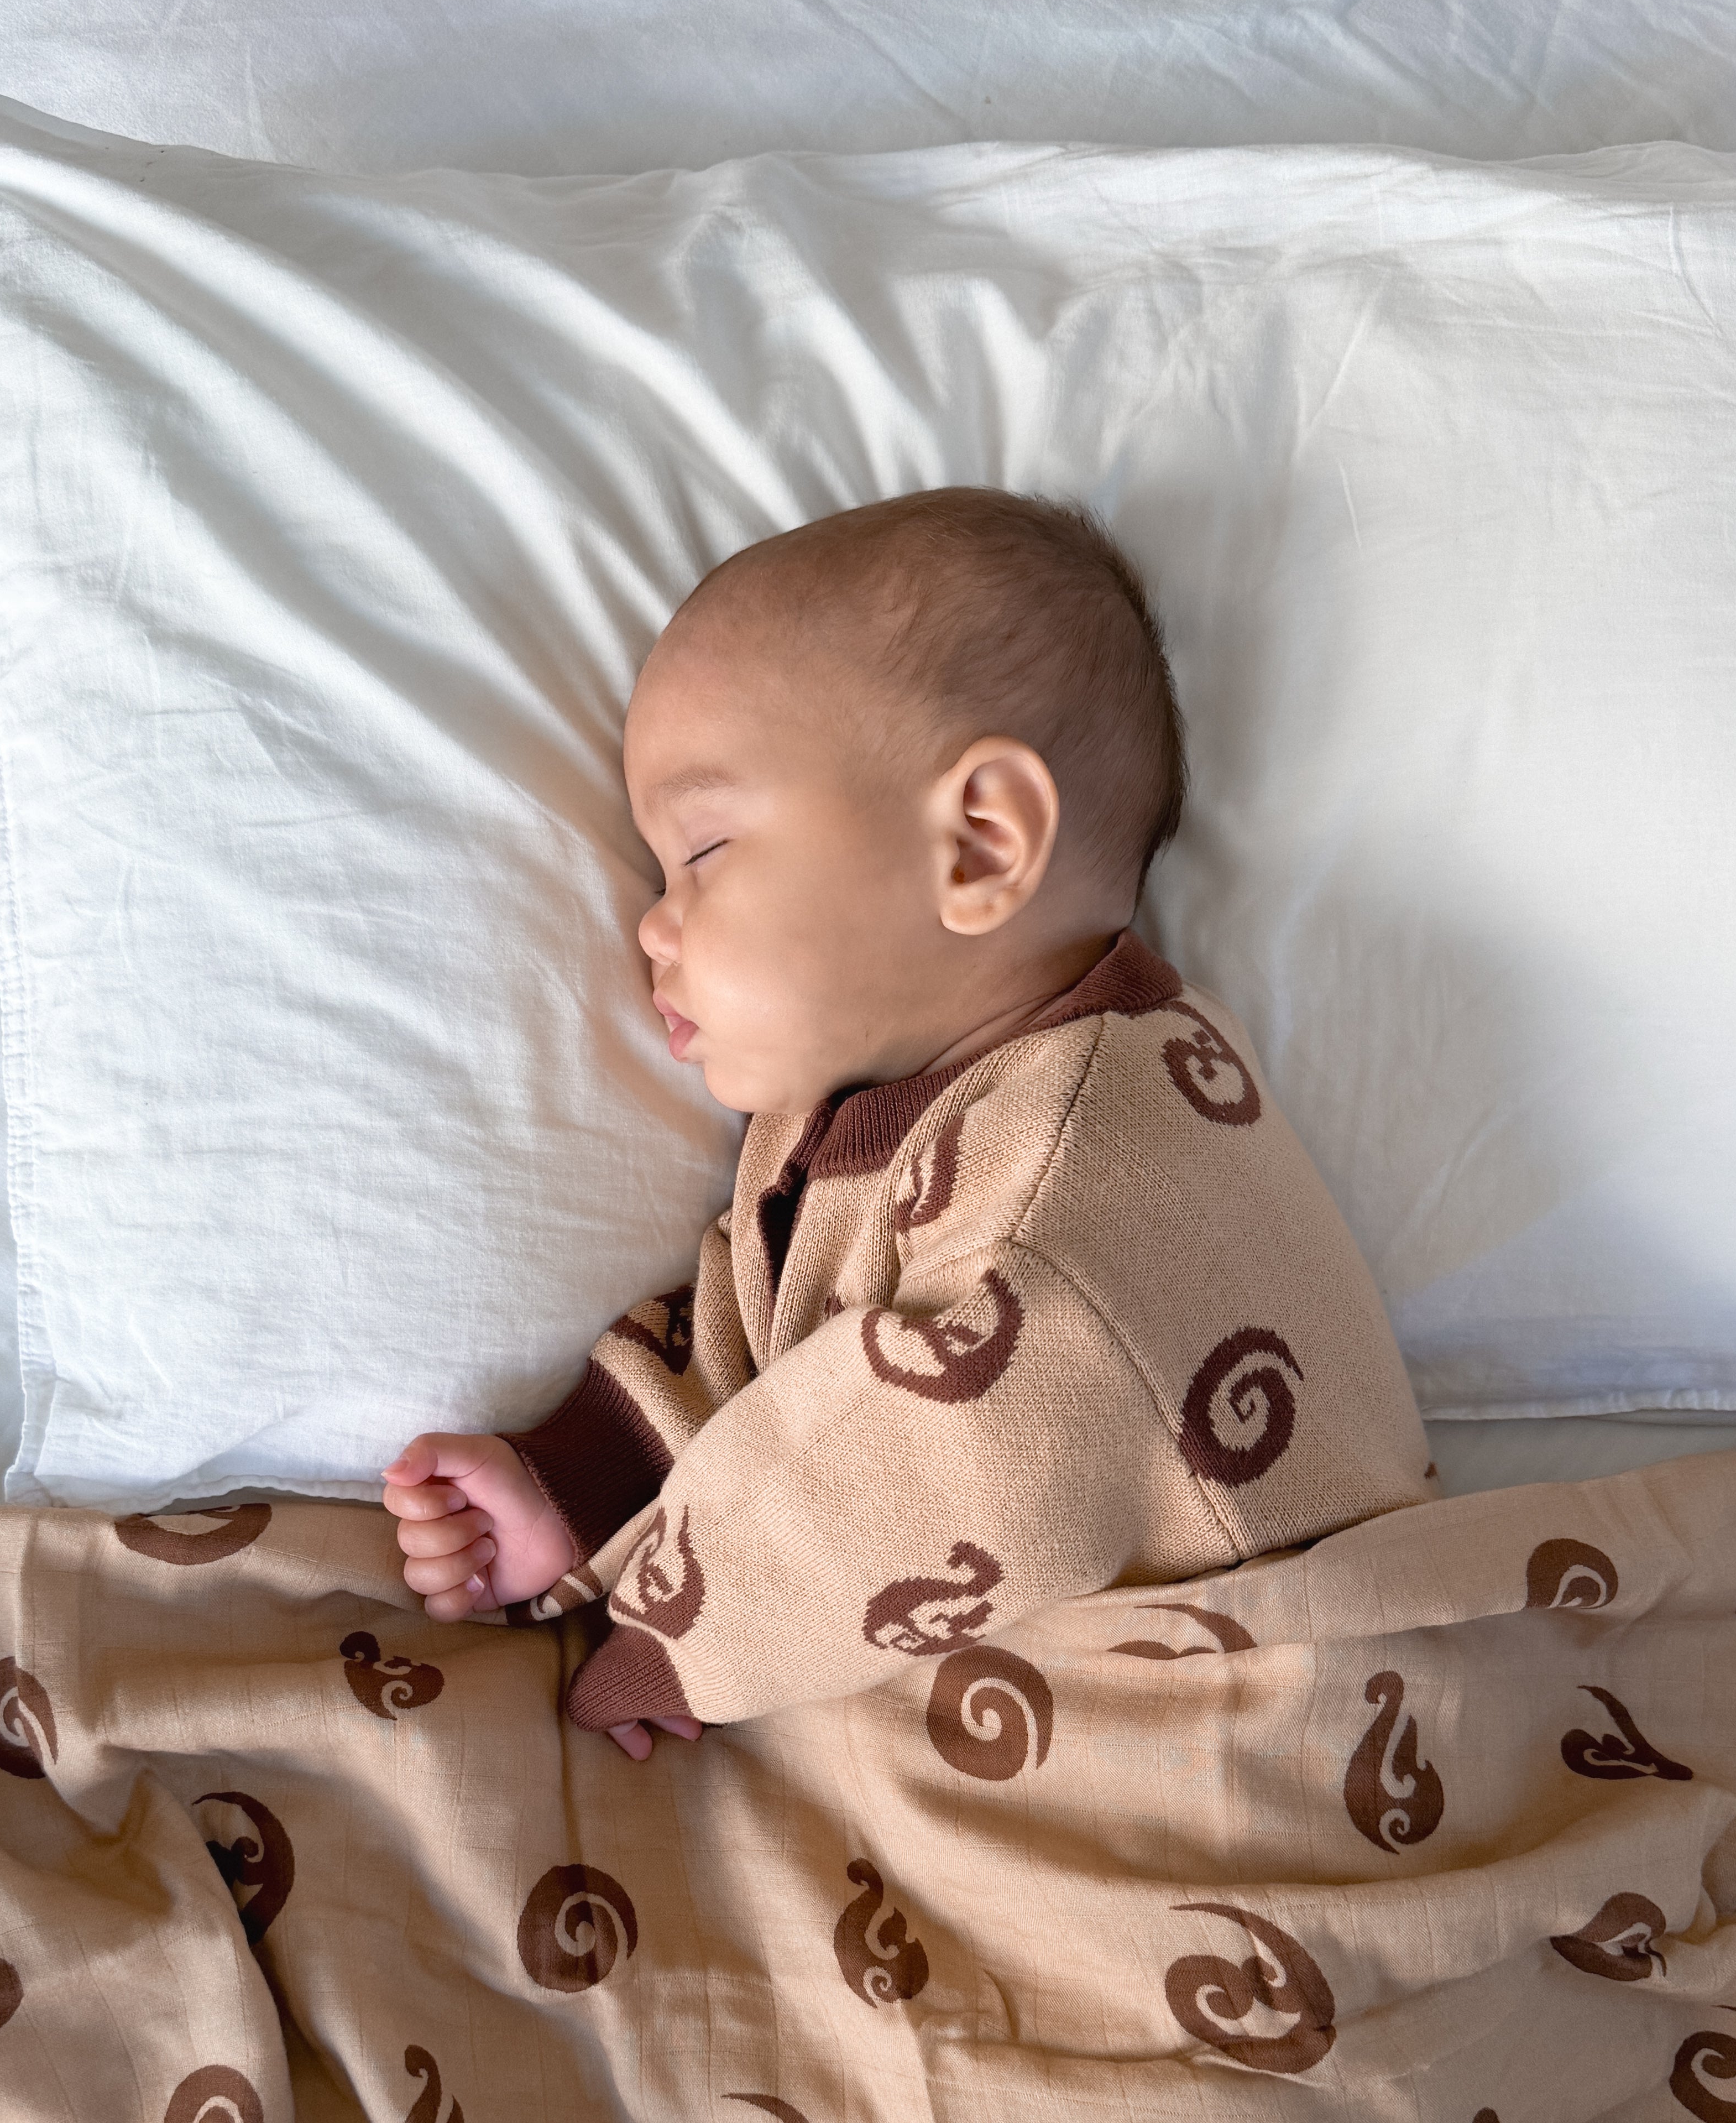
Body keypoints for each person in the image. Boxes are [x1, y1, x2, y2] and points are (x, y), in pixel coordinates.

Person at [383, 489, 1434, 1759]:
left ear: (981, 844)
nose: (654, 926)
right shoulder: (869, 1107)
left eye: (703, 851)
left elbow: (928, 1470)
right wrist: (577, 1485)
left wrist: (670, 1644)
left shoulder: (1083, 1168)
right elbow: (762, 1346)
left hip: (1278, 1716)